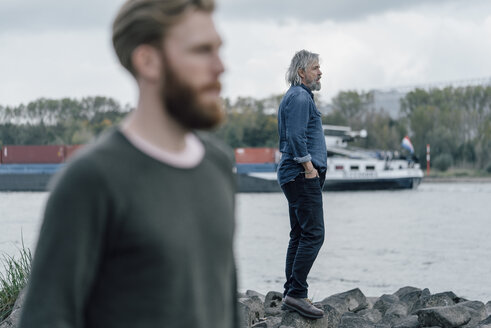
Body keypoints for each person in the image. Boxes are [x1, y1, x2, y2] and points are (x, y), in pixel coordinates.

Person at [19, 0, 238, 327]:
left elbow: (225, 307)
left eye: (219, 49)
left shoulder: (217, 165)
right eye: (201, 50)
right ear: (148, 61)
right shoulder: (91, 180)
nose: (221, 66)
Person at [277, 50, 327, 319]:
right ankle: (297, 293)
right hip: (300, 174)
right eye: (316, 68)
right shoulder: (298, 96)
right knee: (314, 234)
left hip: (293, 174)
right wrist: (309, 168)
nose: (320, 72)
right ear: (301, 72)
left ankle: (291, 293)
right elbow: (296, 136)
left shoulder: (298, 96)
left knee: (299, 234)